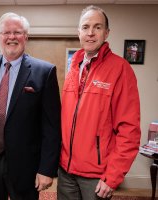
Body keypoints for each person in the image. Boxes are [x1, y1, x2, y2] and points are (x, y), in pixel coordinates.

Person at [0, 12, 61, 200]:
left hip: (26, 165)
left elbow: (51, 127)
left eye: (17, 32)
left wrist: (46, 169)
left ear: (26, 37)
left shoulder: (44, 72)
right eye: (6, 32)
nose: (11, 37)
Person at [59, 5, 141, 200]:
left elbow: (129, 129)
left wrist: (112, 176)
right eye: (85, 27)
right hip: (65, 172)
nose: (90, 33)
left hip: (96, 176)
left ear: (106, 32)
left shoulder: (120, 69)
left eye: (97, 27)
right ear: (78, 32)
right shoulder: (74, 66)